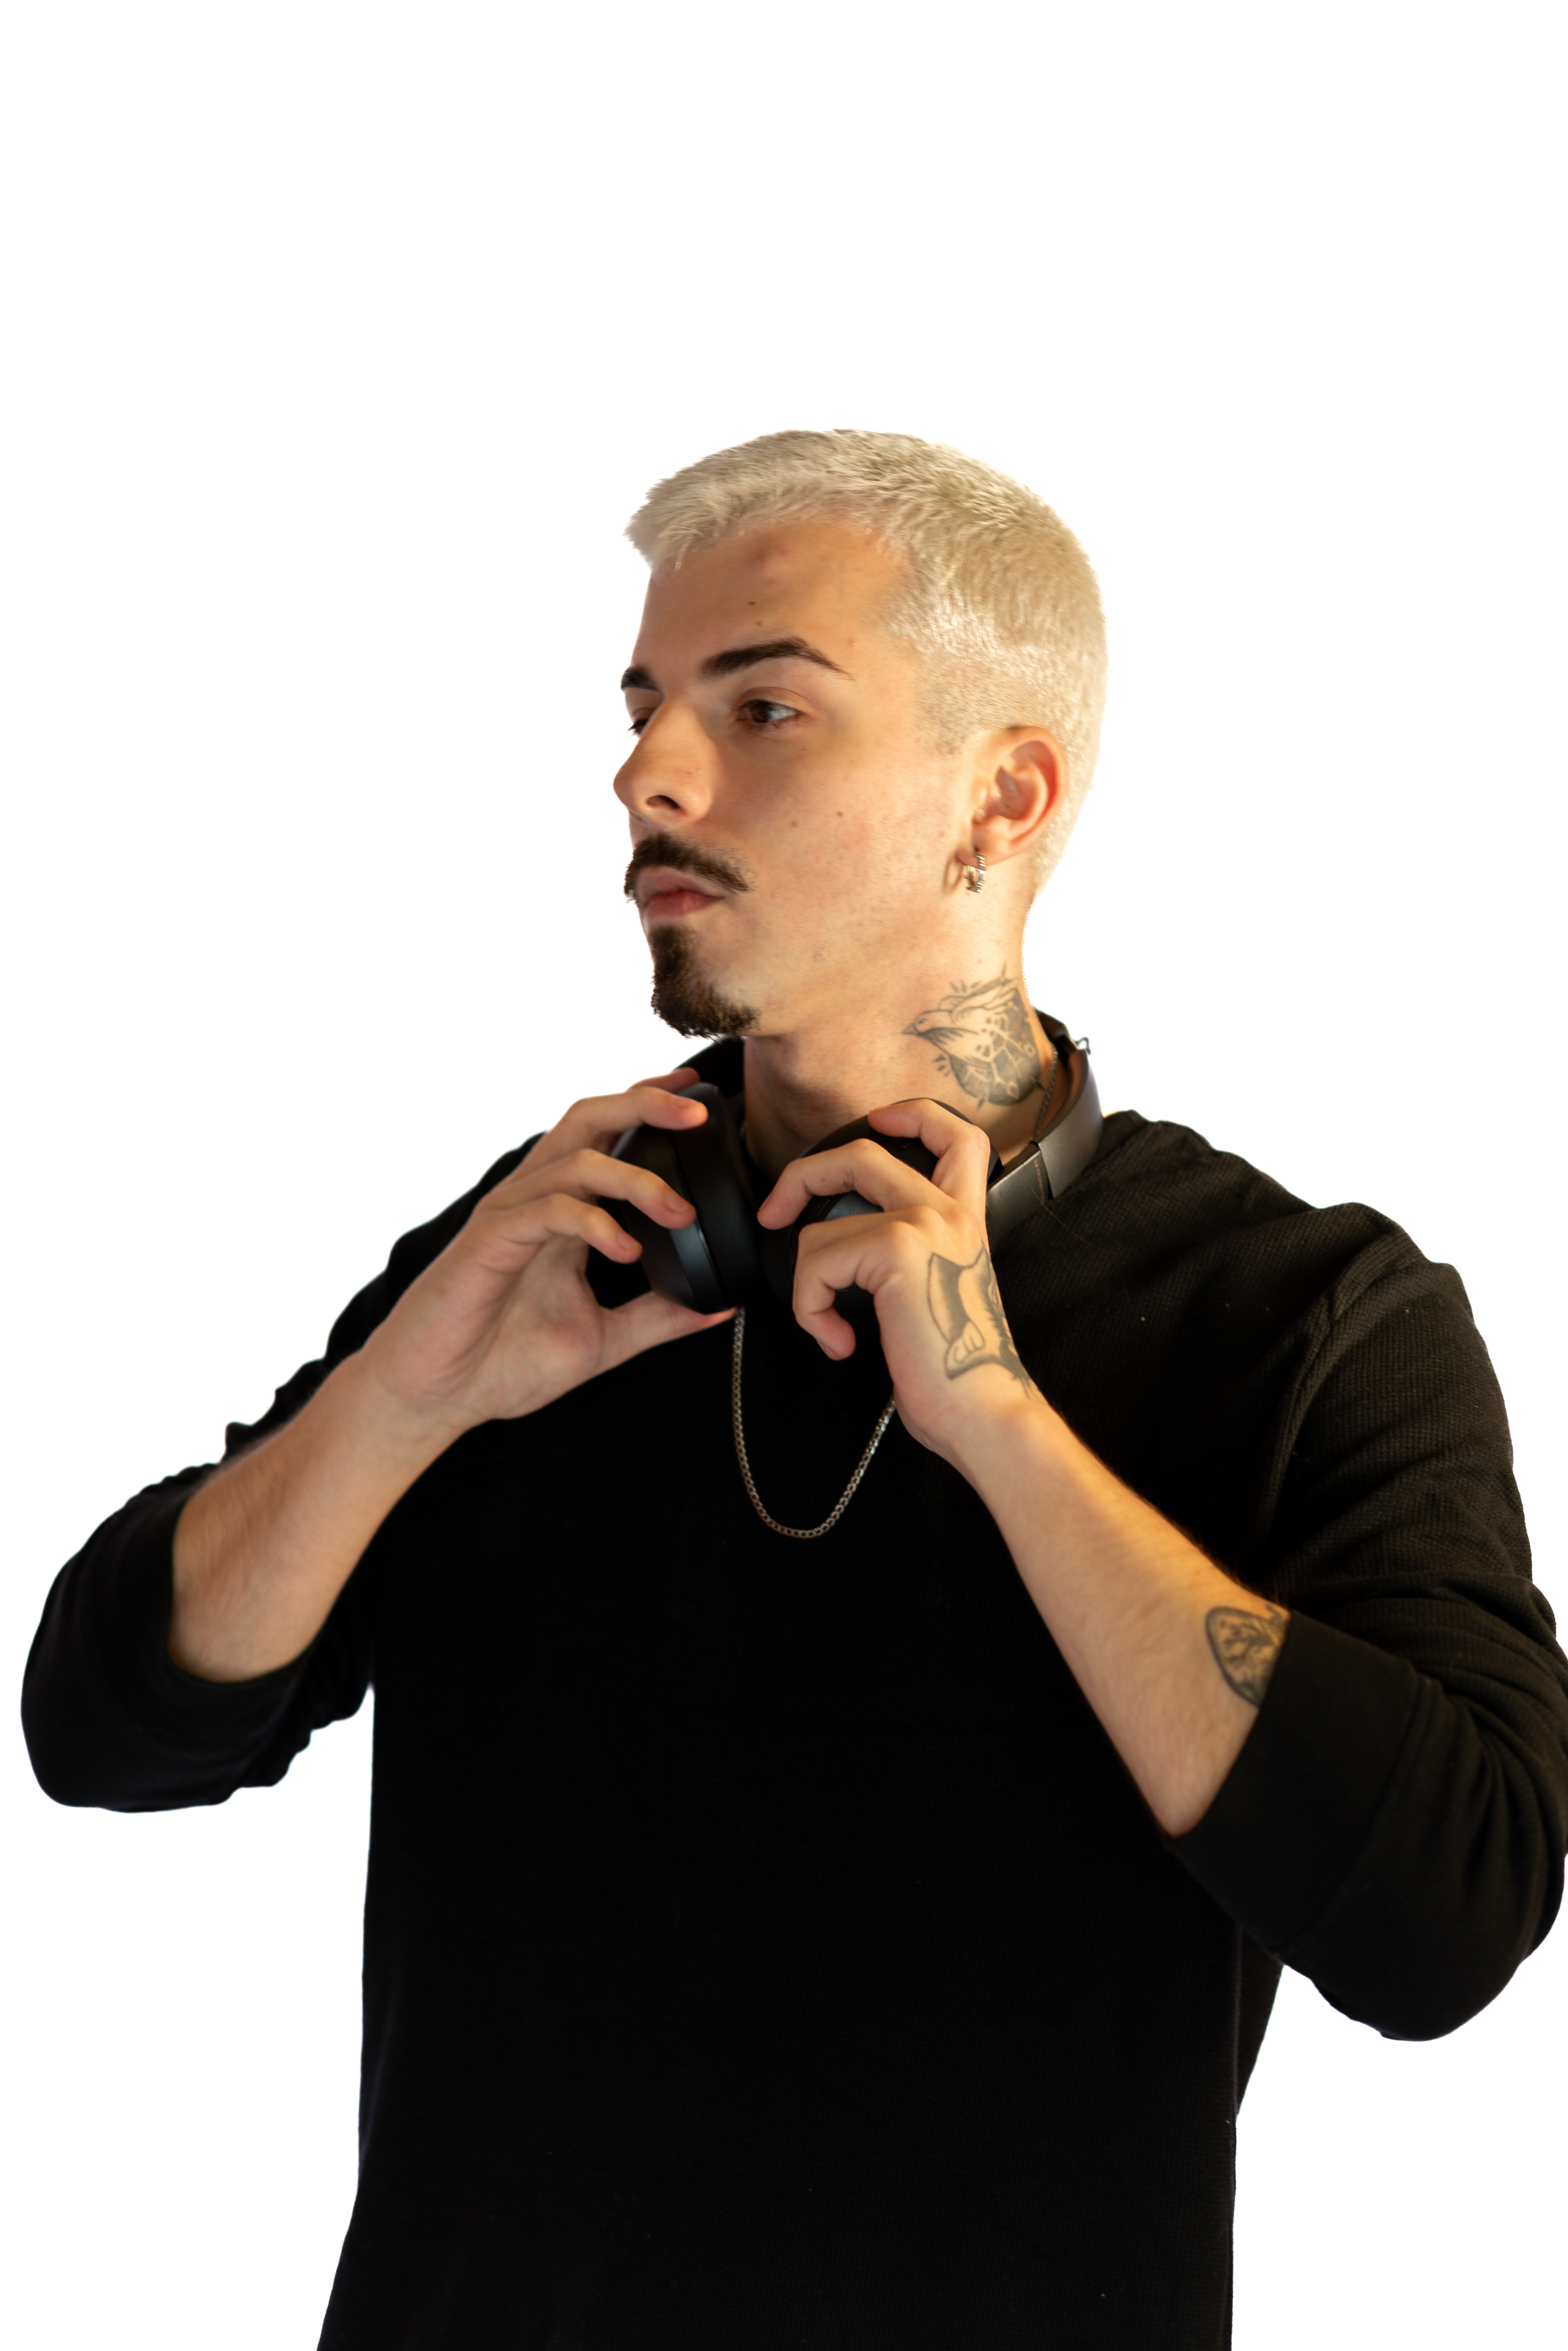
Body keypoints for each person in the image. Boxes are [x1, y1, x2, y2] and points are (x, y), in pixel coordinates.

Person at [23, 430, 1568, 2349]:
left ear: (1002, 796)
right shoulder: (549, 1253)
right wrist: (404, 1399)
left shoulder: (1302, 1313)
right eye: (644, 709)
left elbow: (1444, 1922)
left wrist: (1000, 1425)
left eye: (761, 708)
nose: (648, 775)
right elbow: (105, 1730)